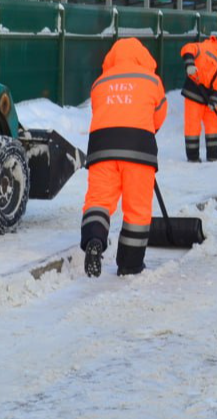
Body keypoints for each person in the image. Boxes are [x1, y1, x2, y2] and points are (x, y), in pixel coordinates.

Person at [80, 37, 167, 278]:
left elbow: (102, 112)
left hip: (101, 150)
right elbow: (158, 115)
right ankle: (129, 264)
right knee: (136, 209)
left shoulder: (100, 82)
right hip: (138, 149)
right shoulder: (152, 80)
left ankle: (94, 239)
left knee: (98, 200)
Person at [179, 35, 217, 162]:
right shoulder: (207, 46)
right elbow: (187, 48)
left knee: (215, 123)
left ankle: (214, 153)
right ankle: (193, 155)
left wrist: (215, 99)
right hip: (194, 91)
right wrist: (189, 64)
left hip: (208, 96)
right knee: (193, 125)